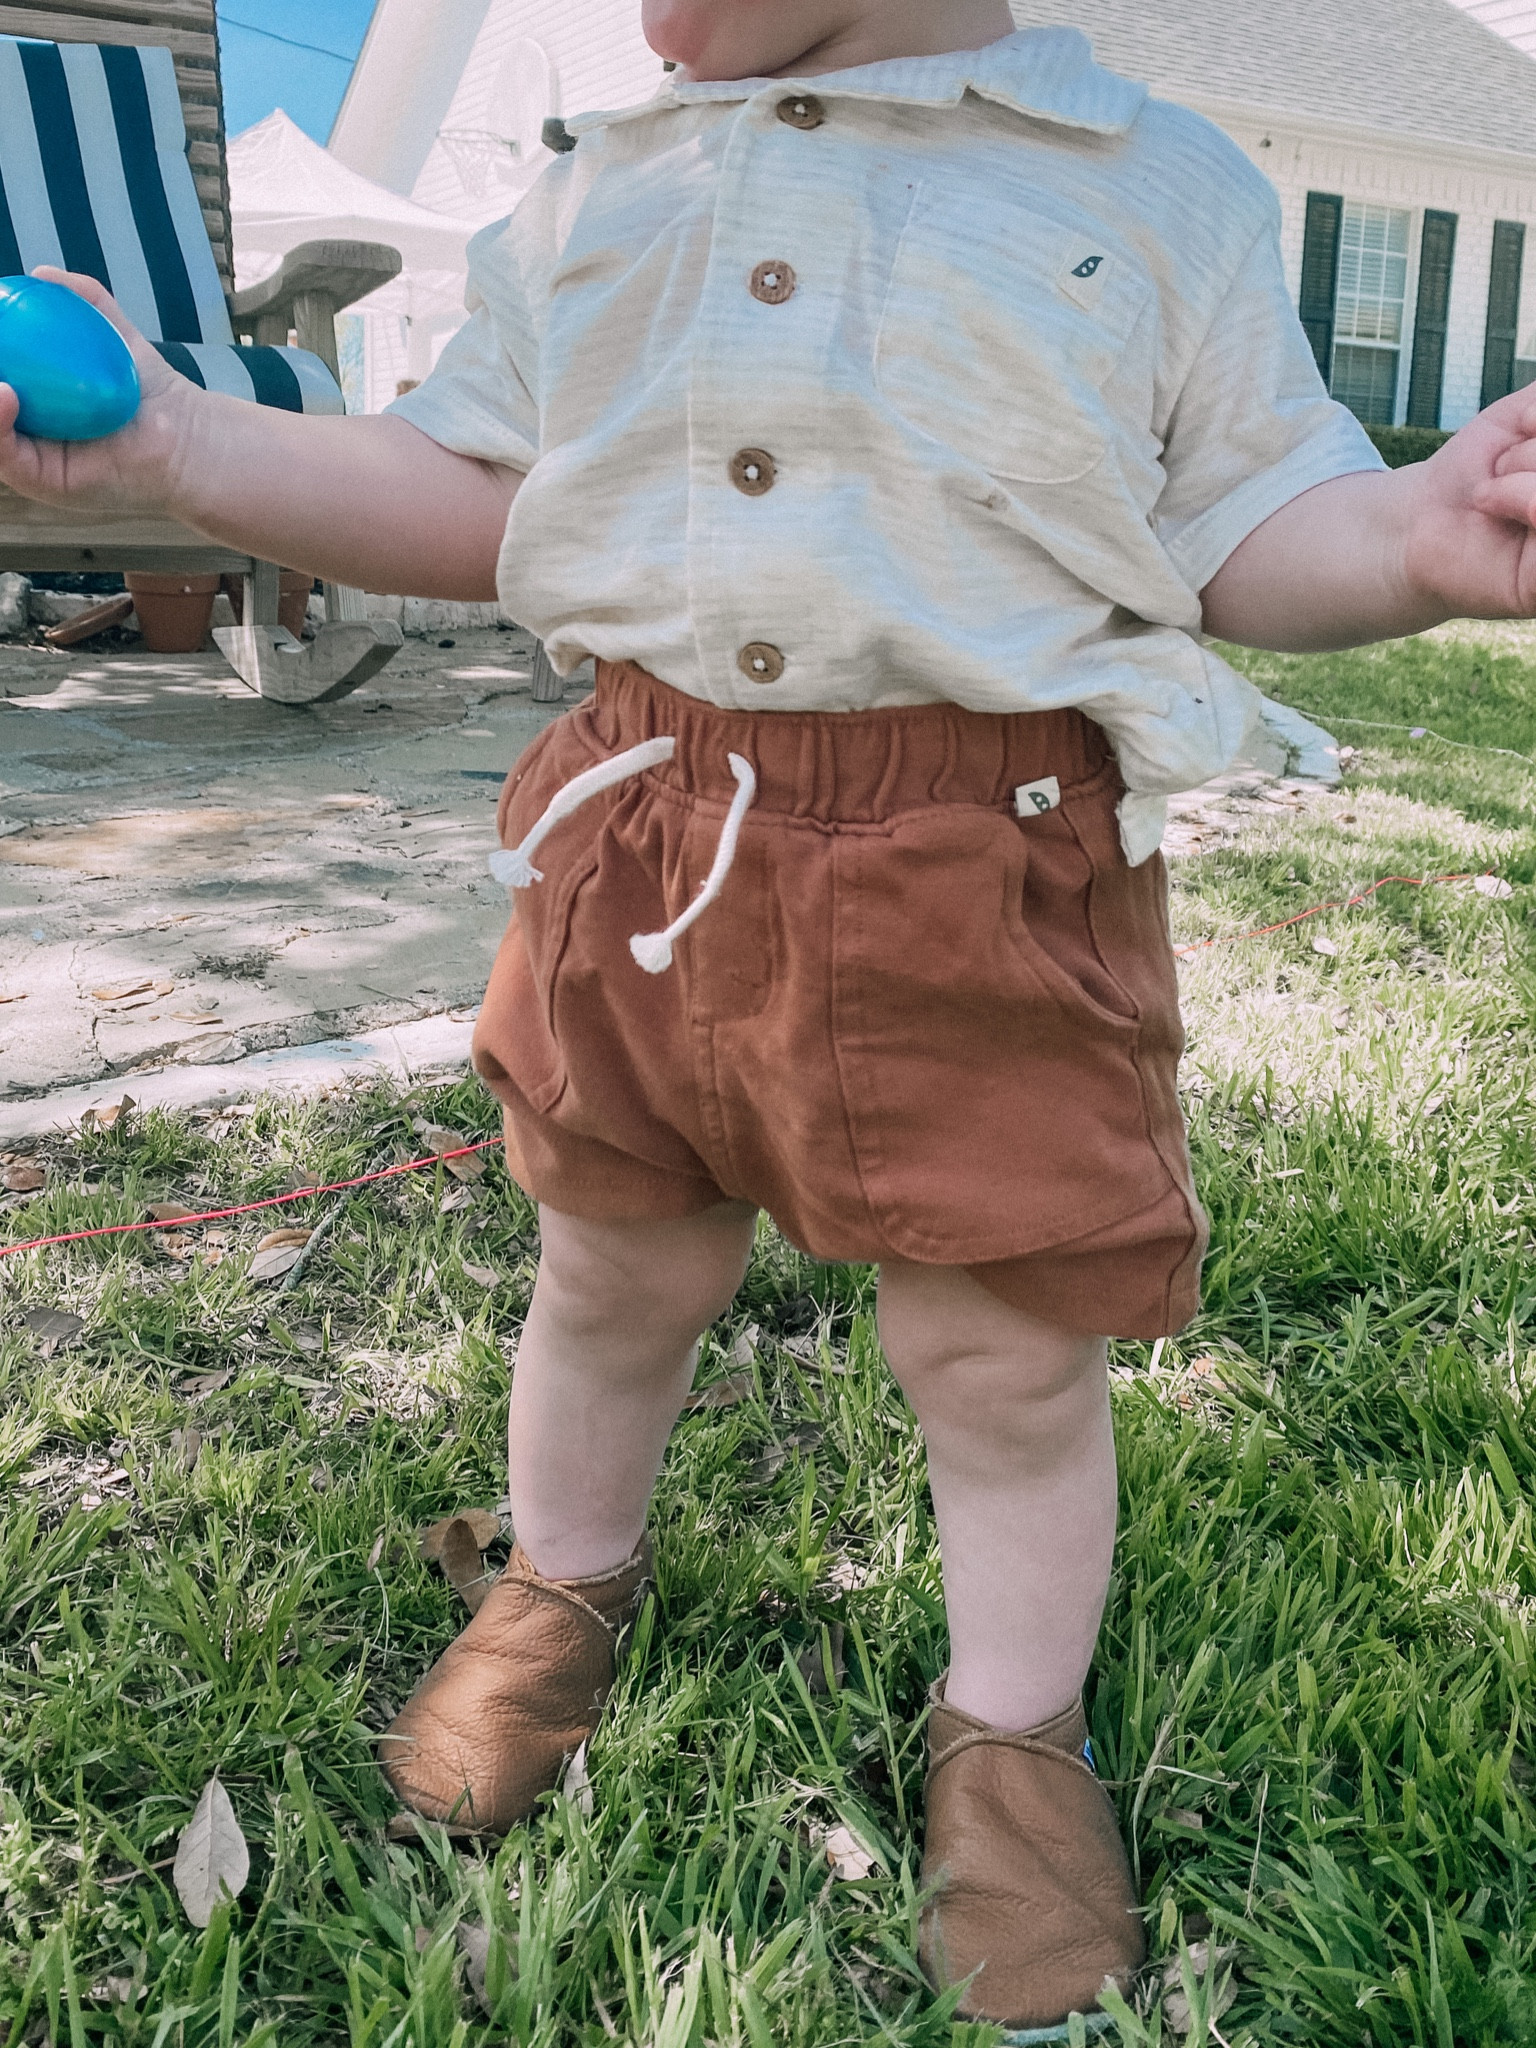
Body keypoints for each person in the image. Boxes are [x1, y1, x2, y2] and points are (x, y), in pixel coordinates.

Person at [6, 0, 1536, 2032]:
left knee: (1000, 1346)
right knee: (609, 1265)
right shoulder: (600, 184)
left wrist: (1422, 534)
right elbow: (475, 496)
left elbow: (1246, 524)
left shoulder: (1151, 186)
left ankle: (1014, 1734)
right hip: (644, 834)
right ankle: (560, 1582)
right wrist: (182, 445)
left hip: (981, 858)